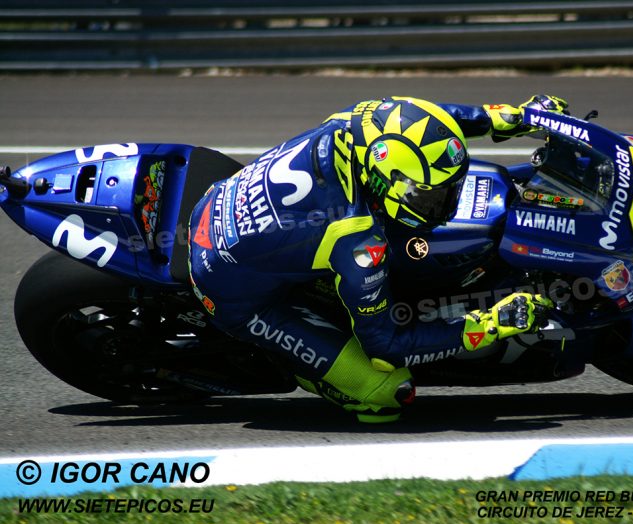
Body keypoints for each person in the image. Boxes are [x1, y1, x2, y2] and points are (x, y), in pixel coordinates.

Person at [187, 94, 567, 422]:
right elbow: (387, 345)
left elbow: (431, 121)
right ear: (388, 182)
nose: (445, 206)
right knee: (388, 392)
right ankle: (308, 370)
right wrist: (489, 324)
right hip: (231, 289)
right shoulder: (355, 238)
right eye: (429, 198)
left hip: (221, 201)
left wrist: (508, 116)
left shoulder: (363, 121)